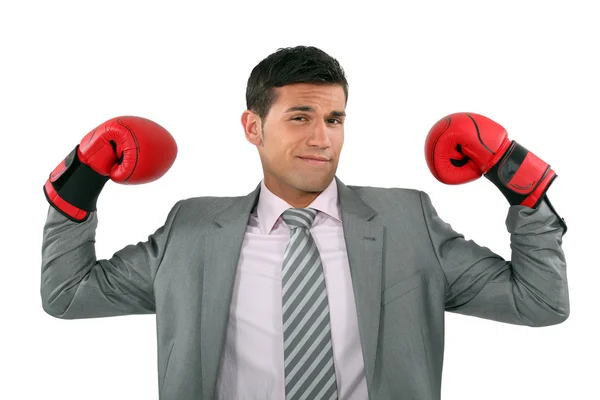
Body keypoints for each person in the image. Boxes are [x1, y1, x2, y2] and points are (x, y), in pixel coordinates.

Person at [40, 45, 569, 400]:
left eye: (334, 119)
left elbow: (541, 303)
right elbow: (67, 295)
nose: (323, 139)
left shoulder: (407, 219)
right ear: (253, 127)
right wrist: (79, 179)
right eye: (300, 117)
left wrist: (520, 180)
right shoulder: (193, 229)